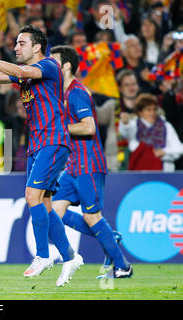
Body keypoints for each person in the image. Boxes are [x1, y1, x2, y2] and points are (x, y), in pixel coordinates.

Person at [0, 25, 82, 287]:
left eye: (21, 43)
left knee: (31, 196)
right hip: (37, 144)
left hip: (53, 140)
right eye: (15, 43)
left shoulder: (48, 66)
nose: (15, 48)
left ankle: (43, 255)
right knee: (44, 203)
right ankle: (70, 256)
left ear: (37, 47)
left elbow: (21, 71)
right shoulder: (23, 76)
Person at [50, 45, 133, 279]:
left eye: (54, 62)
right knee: (54, 212)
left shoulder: (76, 92)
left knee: (92, 217)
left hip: (89, 163)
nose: (50, 67)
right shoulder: (62, 92)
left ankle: (122, 267)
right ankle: (109, 236)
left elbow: (89, 127)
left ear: (66, 66)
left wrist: (59, 130)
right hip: (73, 166)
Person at [119, 93, 183, 171]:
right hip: (138, 171)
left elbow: (179, 148)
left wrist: (165, 152)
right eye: (148, 110)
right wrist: (125, 123)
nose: (152, 113)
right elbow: (126, 133)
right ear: (140, 112)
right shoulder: (133, 125)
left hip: (164, 171)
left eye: (154, 109)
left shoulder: (166, 126)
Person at [96, 69, 140, 172]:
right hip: (114, 162)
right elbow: (97, 117)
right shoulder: (113, 105)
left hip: (140, 161)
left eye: (133, 84)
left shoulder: (145, 106)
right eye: (127, 85)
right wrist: (87, 95)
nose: (131, 88)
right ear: (120, 88)